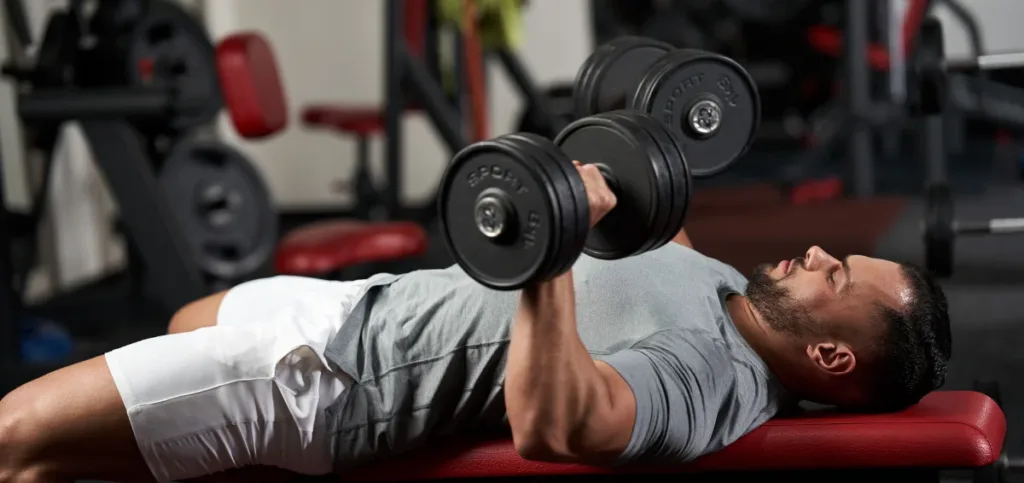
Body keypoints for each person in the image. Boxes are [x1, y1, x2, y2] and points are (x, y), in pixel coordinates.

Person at [0, 162, 951, 483]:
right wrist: (644, 162)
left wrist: (550, 250)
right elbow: (653, 238)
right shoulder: (726, 295)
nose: (824, 252)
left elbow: (561, 422)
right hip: (358, 306)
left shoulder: (716, 379)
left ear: (830, 354)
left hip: (321, 381)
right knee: (180, 318)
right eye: (839, 252)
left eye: (841, 275)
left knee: (21, 439)